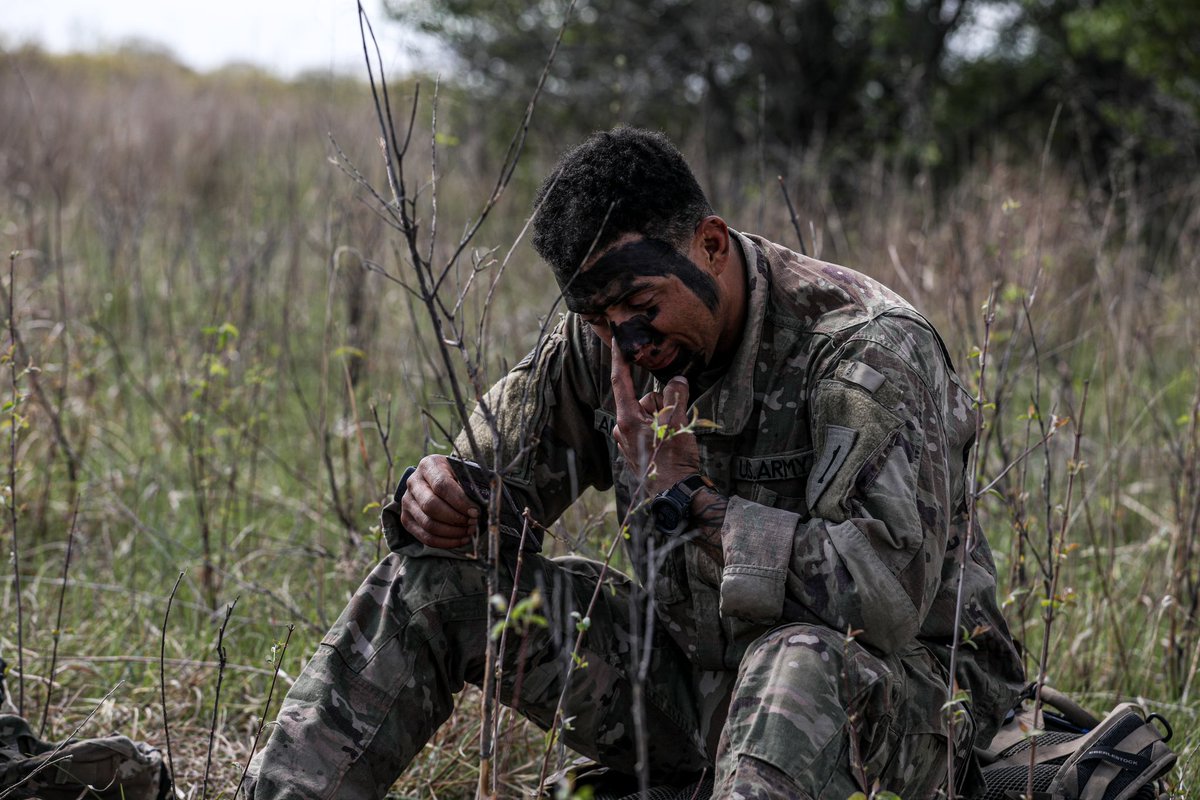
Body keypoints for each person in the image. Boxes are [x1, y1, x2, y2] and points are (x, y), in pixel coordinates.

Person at [248, 127, 1026, 799]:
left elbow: (882, 604)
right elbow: (488, 483)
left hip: (916, 705)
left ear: (711, 246)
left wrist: (692, 501)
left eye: (641, 306)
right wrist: (436, 497)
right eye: (597, 318)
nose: (627, 341)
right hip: (694, 681)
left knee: (795, 661)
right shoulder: (608, 339)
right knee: (428, 587)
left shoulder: (865, 350)